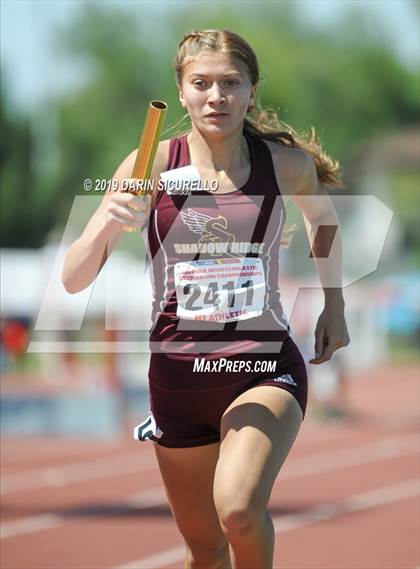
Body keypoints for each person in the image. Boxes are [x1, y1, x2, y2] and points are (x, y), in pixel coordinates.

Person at [62, 29, 350, 569]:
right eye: (202, 84)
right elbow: (74, 280)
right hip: (178, 378)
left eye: (230, 83)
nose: (216, 95)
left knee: (239, 511)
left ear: (250, 92)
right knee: (206, 551)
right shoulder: (146, 166)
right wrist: (105, 222)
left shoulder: (283, 166)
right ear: (183, 90)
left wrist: (334, 305)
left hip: (262, 368)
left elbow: (324, 220)